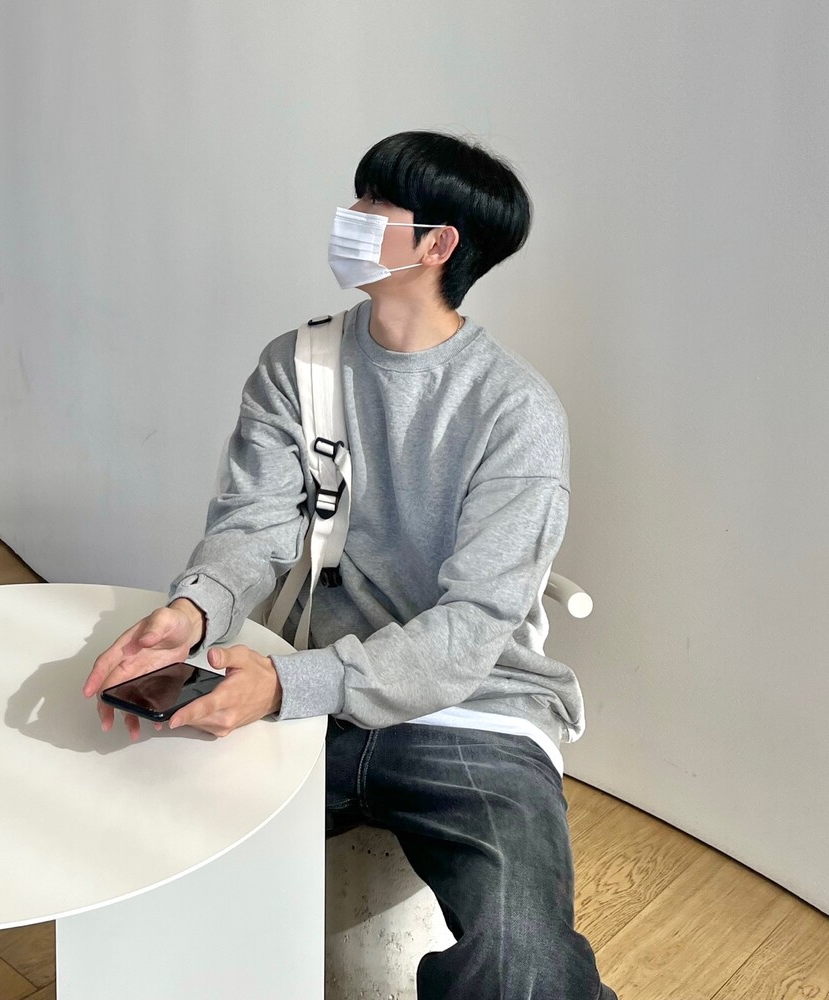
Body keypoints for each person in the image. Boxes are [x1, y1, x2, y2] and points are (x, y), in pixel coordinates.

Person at [84, 130, 617, 1000]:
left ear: (437, 244)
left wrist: (288, 686)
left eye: (375, 204)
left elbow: (472, 630)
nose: (350, 216)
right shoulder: (296, 366)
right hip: (304, 698)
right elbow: (253, 527)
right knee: (132, 837)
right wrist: (194, 610)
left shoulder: (517, 411)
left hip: (473, 715)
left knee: (522, 961)